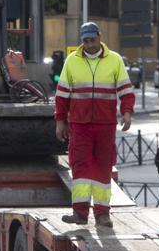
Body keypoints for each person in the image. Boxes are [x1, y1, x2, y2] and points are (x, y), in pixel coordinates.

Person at [54, 22, 134, 227]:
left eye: (92, 40)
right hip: (79, 124)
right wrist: (60, 121)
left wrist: (127, 112)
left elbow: (125, 90)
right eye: (85, 41)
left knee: (103, 167)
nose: (89, 44)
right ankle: (80, 213)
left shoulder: (114, 60)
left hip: (105, 124)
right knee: (80, 166)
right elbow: (62, 94)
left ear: (99, 37)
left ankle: (102, 214)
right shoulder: (72, 61)